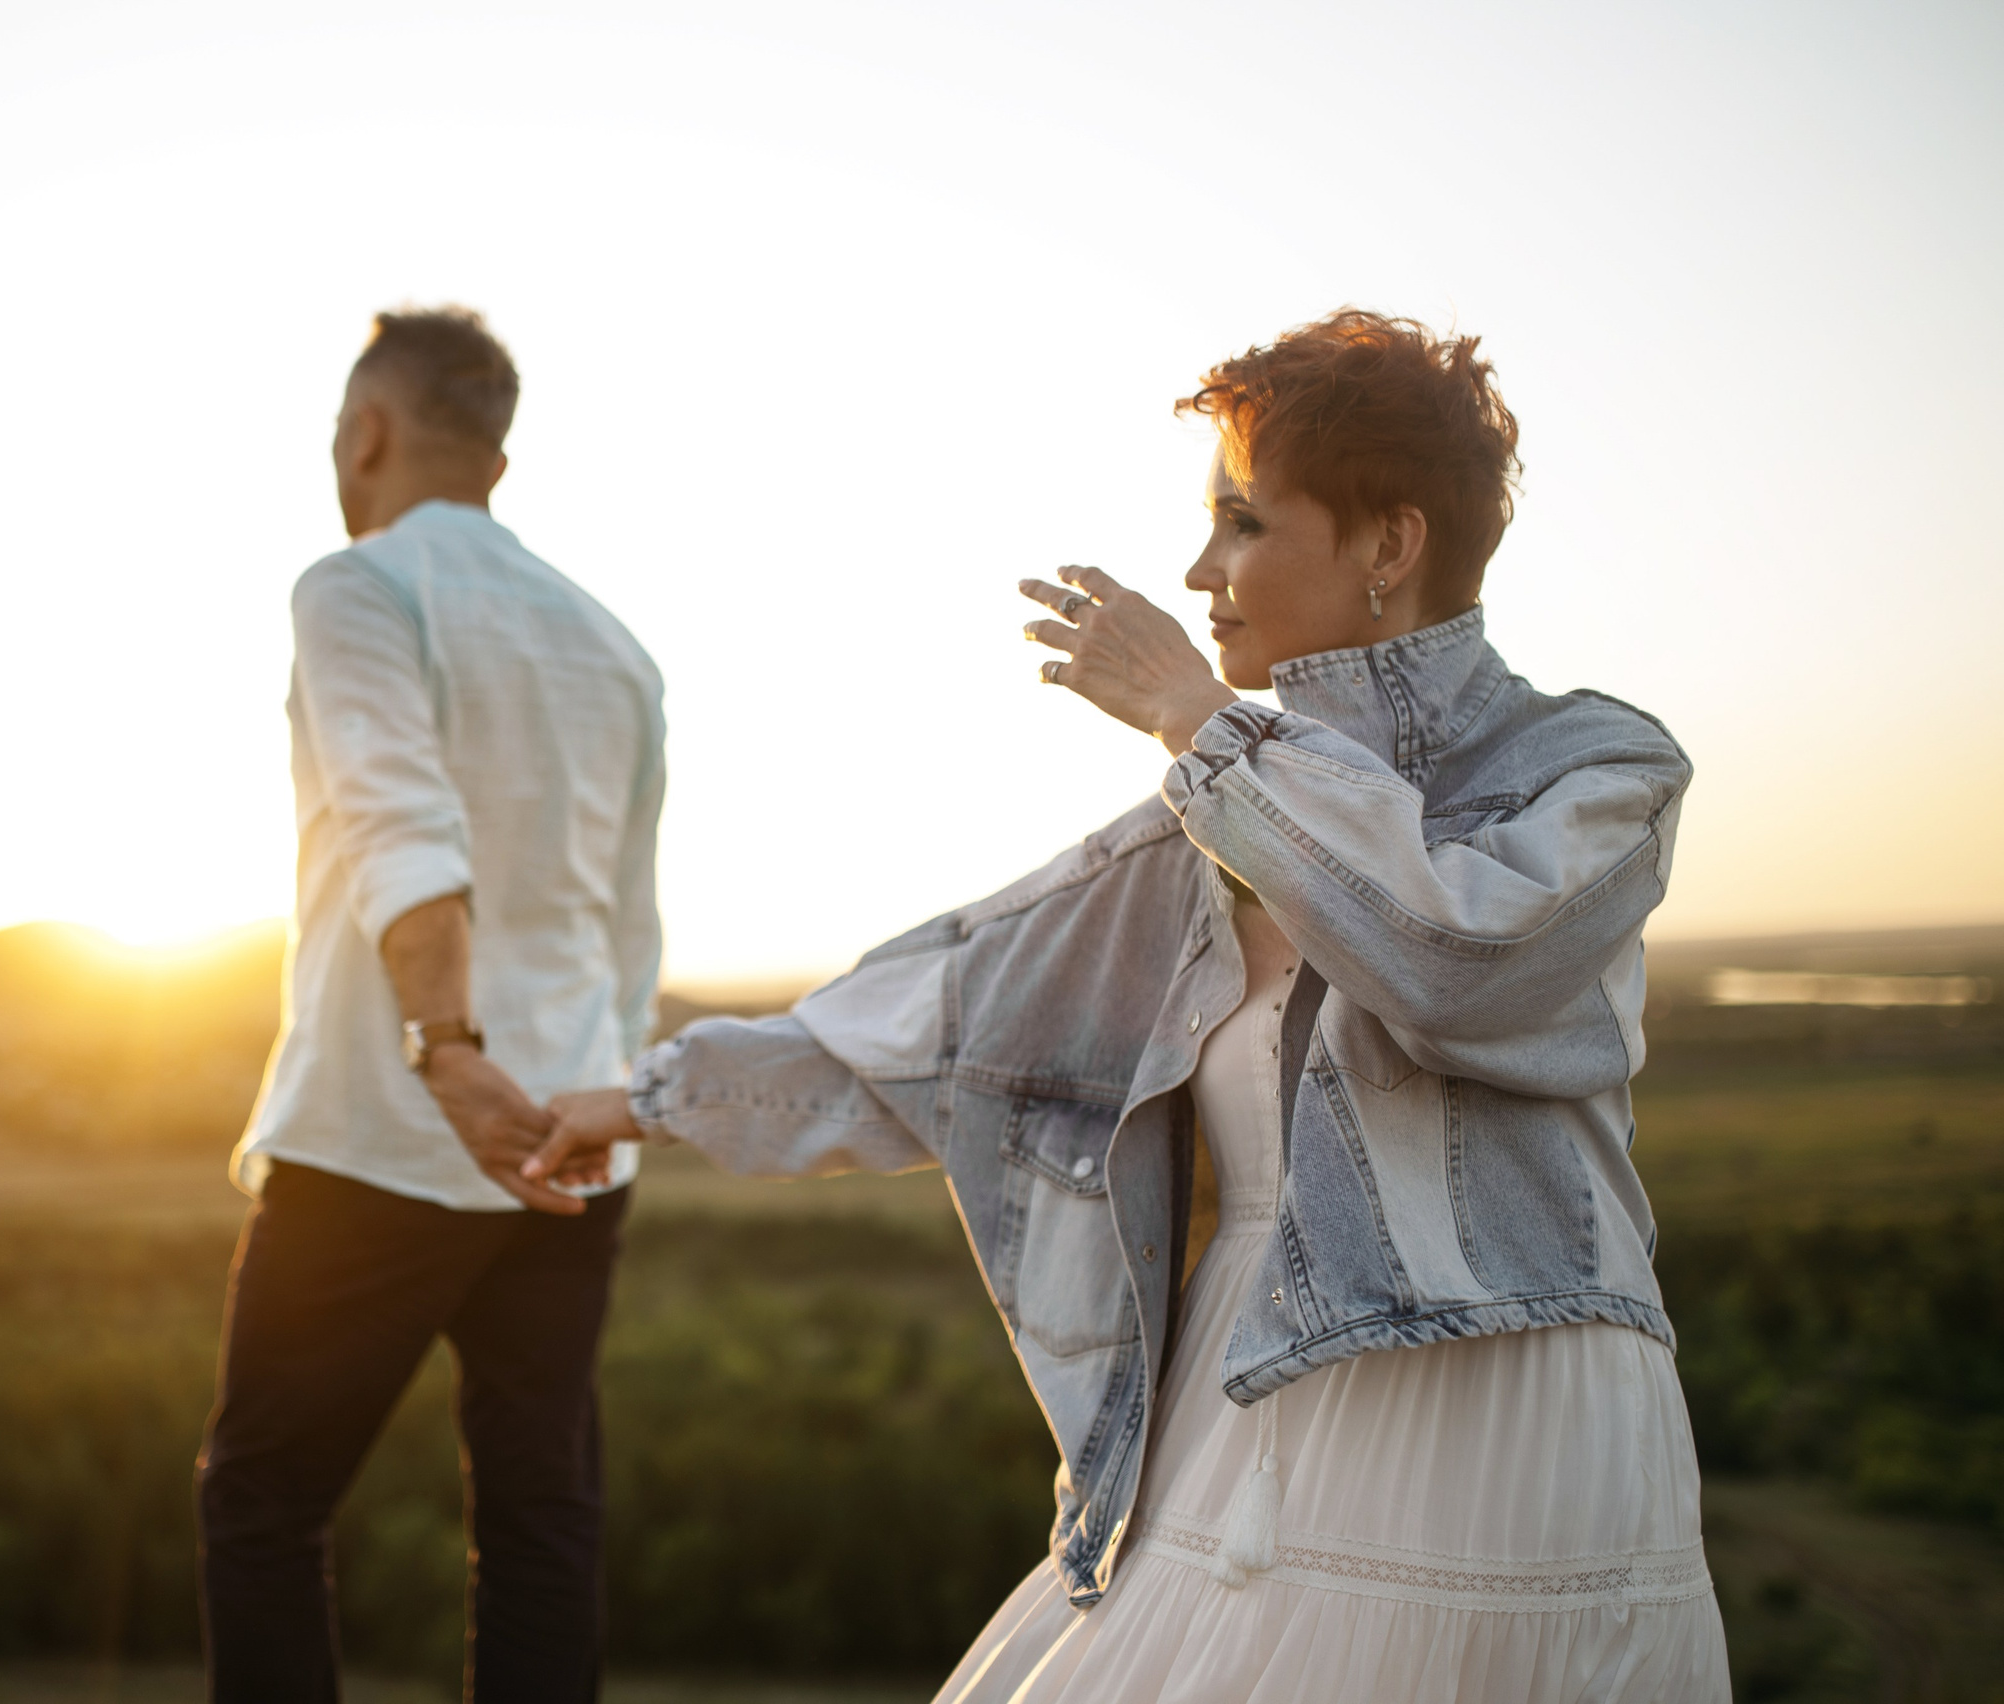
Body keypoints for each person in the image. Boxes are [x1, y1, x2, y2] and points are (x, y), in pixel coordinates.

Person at [531, 311, 1725, 1701]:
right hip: (1247, 1385)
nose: (1199, 571)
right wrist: (631, 1103)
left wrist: (1197, 717)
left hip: (1520, 1411)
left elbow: (1456, 961)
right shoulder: (1197, 832)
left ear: (1390, 546)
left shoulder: (1594, 768)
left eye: (1242, 522)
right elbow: (944, 1030)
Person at [199, 307, 665, 1704]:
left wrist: (448, 1052)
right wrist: (608, 1103)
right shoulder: (614, 645)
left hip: (386, 1132)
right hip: (574, 1139)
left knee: (263, 1502)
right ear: (497, 461)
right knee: (541, 1515)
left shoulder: (356, 590)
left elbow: (405, 829)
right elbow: (627, 925)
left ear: (366, 434)